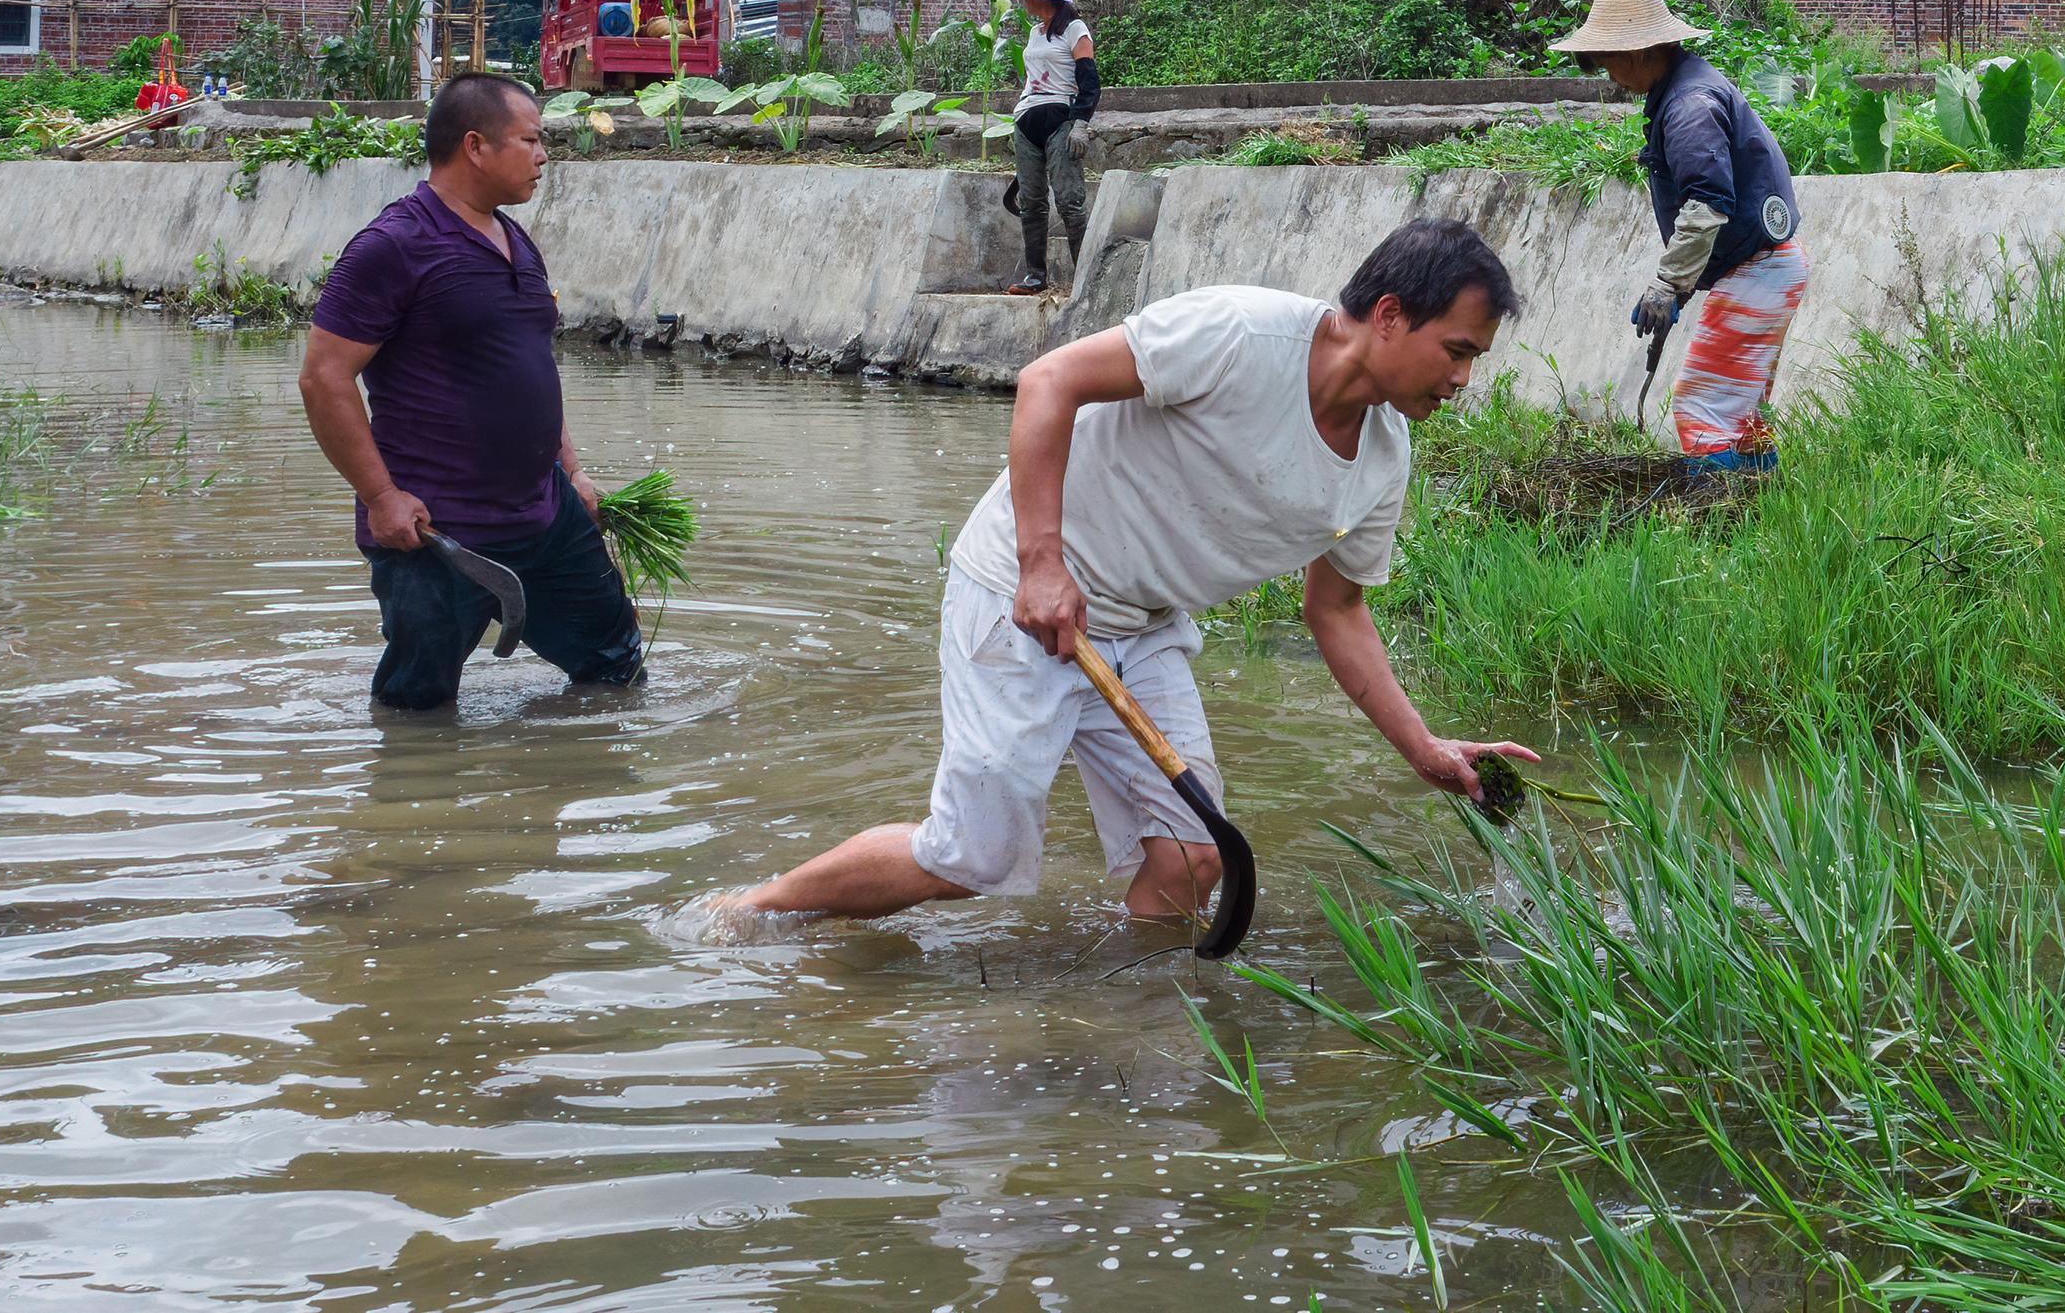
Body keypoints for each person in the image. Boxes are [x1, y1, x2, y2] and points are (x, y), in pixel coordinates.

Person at [725, 218, 1541, 927]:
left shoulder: (1382, 461)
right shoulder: (1241, 333)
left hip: (1142, 629)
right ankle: (749, 913)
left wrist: (1421, 746)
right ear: (1392, 316)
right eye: (1458, 350)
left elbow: (1338, 612)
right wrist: (1041, 563)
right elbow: (1052, 379)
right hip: (1027, 598)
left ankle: (1131, 1012)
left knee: (1194, 856)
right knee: (970, 856)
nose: (1464, 379)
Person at [299, 70, 646, 712]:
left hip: (545, 516)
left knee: (616, 669)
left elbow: (529, 363)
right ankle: (425, 809)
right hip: (437, 533)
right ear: (475, 146)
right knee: (418, 711)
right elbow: (324, 377)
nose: (544, 157)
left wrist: (572, 471)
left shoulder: (515, 239)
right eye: (530, 140)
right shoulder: (394, 245)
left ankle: (563, 789)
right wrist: (380, 497)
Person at [1549, 0, 1805, 479]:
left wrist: (1668, 284)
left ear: (1642, 50)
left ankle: (1719, 518)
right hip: (1766, 267)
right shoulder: (1685, 89)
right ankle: (1763, 505)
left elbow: (1708, 203)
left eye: (1611, 62)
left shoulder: (1688, 106)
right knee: (1741, 411)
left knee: (1701, 404)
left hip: (1756, 270)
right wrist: (1682, 290)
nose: (1610, 77)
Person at [999, 0, 1100, 296]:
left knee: (1070, 200)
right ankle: (1035, 277)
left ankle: (1085, 279)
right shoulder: (1035, 32)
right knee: (1031, 200)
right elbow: (1033, 79)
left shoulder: (1075, 30)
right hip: (1027, 121)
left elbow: (1089, 83)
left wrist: (1081, 124)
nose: (1024, 1)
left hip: (1060, 121)